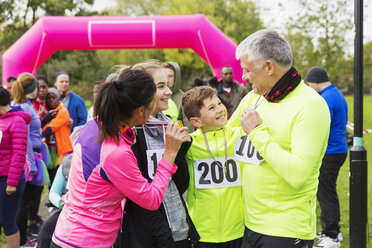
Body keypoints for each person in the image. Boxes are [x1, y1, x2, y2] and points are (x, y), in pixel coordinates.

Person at [51, 68, 186, 248]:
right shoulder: (116, 153)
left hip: (67, 233)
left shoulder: (96, 123)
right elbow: (152, 199)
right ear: (140, 111)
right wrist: (169, 154)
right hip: (85, 242)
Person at [228, 30, 331, 248]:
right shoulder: (254, 97)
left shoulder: (310, 105)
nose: (243, 77)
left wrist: (257, 133)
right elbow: (227, 138)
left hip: (285, 229)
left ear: (269, 67)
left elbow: (298, 174)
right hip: (249, 223)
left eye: (247, 70)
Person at [115, 61, 199, 248]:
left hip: (179, 230)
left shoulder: (168, 125)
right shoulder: (131, 133)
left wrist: (180, 152)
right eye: (161, 87)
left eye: (168, 85)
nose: (169, 92)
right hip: (151, 237)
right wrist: (163, 237)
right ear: (142, 91)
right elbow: (139, 197)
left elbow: (179, 185)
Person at [182, 86, 245, 248]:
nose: (220, 109)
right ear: (196, 121)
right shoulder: (189, 144)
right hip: (203, 232)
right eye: (211, 108)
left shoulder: (239, 135)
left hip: (238, 228)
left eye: (219, 103)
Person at [305, 66, 348, 248]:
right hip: (337, 149)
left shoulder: (326, 98)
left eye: (308, 83)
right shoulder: (335, 93)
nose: (308, 87)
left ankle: (331, 236)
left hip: (331, 152)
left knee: (325, 193)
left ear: (315, 81)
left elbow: (320, 125)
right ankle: (332, 231)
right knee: (327, 191)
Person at [11, 73, 44, 247]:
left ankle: (23, 239)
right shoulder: (23, 108)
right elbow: (26, 139)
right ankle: (22, 241)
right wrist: (31, 165)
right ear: (32, 89)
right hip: (28, 159)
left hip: (32, 157)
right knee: (23, 201)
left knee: (25, 200)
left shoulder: (24, 105)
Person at [0, 87, 30, 248]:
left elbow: (19, 154)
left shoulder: (17, 121)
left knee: (7, 221)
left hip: (10, 180)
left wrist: (12, 182)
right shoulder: (2, 119)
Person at [41, 88, 73, 184]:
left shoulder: (63, 111)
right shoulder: (44, 111)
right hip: (48, 149)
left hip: (61, 151)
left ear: (58, 98)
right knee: (50, 177)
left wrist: (39, 130)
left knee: (59, 178)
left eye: (53, 97)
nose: (51, 100)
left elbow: (51, 127)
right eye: (48, 98)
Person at [163, 62, 194, 132]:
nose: (166, 79)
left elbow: (189, 129)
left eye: (170, 76)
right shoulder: (156, 96)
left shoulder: (185, 98)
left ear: (176, 78)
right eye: (164, 76)